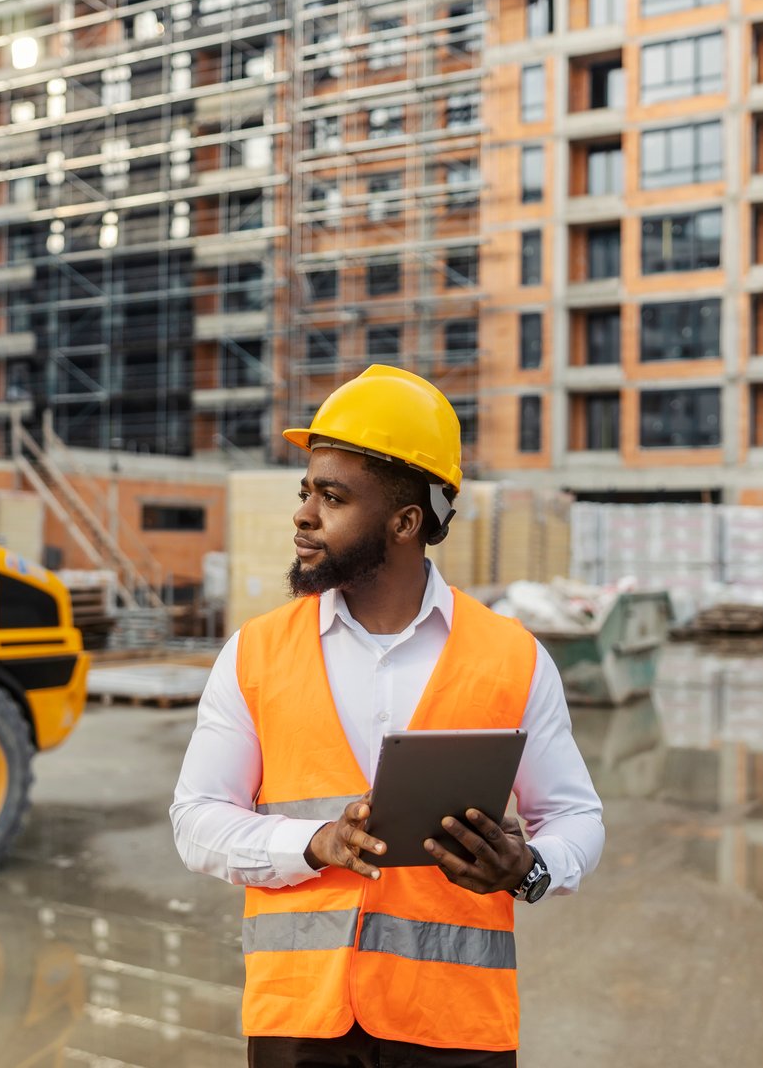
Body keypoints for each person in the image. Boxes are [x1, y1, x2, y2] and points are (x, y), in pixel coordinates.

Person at [171, 365, 604, 1066]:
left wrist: (527, 867)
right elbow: (195, 822)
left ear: (406, 523)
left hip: (452, 1030)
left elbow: (578, 818)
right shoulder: (254, 654)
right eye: (306, 490)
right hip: (299, 1026)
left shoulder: (511, 657)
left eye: (333, 497)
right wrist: (314, 843)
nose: (304, 514)